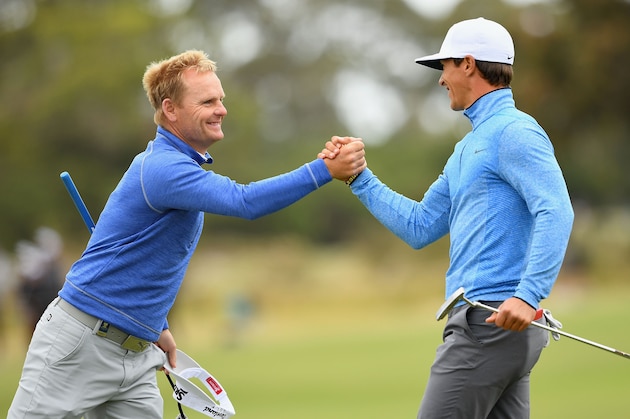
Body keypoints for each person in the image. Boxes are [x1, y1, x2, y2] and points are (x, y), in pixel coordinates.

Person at [8, 49, 365, 418]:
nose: (221, 109)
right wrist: (324, 170)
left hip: (138, 352)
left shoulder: (175, 166)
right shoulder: (163, 168)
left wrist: (155, 324)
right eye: (208, 101)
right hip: (79, 345)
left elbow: (145, 258)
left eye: (221, 99)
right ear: (171, 109)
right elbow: (245, 201)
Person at [321, 17, 574, 419]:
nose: (441, 79)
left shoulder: (514, 132)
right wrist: (358, 178)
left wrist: (529, 294)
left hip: (489, 324)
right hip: (499, 327)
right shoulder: (469, 147)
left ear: (469, 65)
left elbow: (556, 209)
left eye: (446, 67)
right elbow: (420, 226)